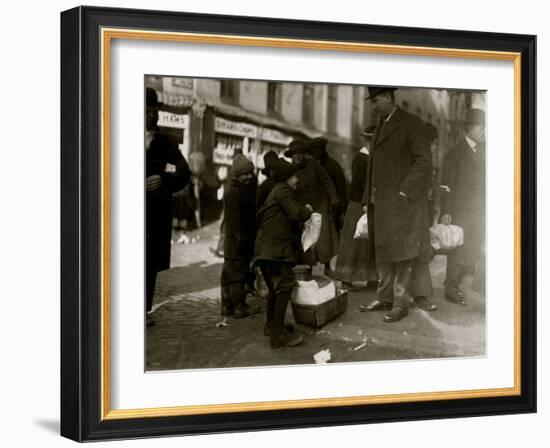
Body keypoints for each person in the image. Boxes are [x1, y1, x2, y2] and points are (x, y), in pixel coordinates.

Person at [361, 86, 432, 323]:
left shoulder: (412, 123)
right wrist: (366, 199)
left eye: (376, 101)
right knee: (383, 252)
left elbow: (423, 161)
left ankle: (400, 303)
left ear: (390, 99)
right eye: (372, 102)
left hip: (402, 203)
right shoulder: (382, 124)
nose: (373, 106)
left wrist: (404, 192)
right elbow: (373, 166)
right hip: (381, 203)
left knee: (402, 254)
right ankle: (385, 297)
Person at [254, 159, 313, 348]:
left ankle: (271, 326)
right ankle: (277, 335)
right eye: (294, 176)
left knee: (275, 288)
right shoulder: (283, 190)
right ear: (287, 178)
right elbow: (297, 213)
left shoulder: (276, 190)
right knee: (285, 286)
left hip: (265, 250)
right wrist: (308, 210)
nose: (297, 180)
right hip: (274, 251)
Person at [145, 87, 191, 327]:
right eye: (146, 110)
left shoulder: (166, 141)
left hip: (154, 212)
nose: (152, 115)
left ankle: (143, 309)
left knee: (149, 262)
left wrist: (164, 181)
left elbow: (185, 172)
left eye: (155, 110)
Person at [440, 108, 486, 306]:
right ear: (468, 128)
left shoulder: (484, 150)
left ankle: (456, 281)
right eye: (480, 127)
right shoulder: (455, 152)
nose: (483, 130)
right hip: (460, 210)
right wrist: (446, 211)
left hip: (478, 210)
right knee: (457, 248)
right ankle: (451, 288)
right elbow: (446, 185)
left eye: (484, 126)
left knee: (472, 246)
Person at [285, 139, 340, 276]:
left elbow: (327, 182)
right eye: (294, 154)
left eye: (300, 153)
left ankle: (328, 268)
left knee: (324, 239)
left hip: (320, 205)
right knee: (306, 240)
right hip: (303, 209)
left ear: (304, 154)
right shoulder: (288, 170)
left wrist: (334, 199)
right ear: (291, 156)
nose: (297, 156)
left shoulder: (314, 165)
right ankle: (306, 271)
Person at [333, 126, 378, 290]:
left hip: (368, 203)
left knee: (369, 243)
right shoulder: (361, 158)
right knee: (355, 243)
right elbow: (360, 184)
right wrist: (366, 203)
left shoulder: (371, 157)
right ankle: (346, 278)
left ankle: (372, 277)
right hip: (359, 204)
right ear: (369, 141)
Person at [220, 154, 261, 318]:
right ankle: (239, 307)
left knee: (228, 274)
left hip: (232, 242)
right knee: (237, 275)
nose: (250, 176)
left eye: (251, 173)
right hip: (237, 242)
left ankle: (227, 306)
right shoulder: (235, 192)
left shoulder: (234, 188)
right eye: (246, 174)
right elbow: (235, 221)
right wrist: (242, 242)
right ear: (237, 174)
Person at [308, 137, 348, 232]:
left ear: (323, 149)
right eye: (314, 149)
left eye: (318, 148)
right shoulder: (310, 165)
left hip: (330, 208)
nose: (316, 151)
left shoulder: (333, 167)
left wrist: (339, 211)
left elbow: (341, 190)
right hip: (313, 207)